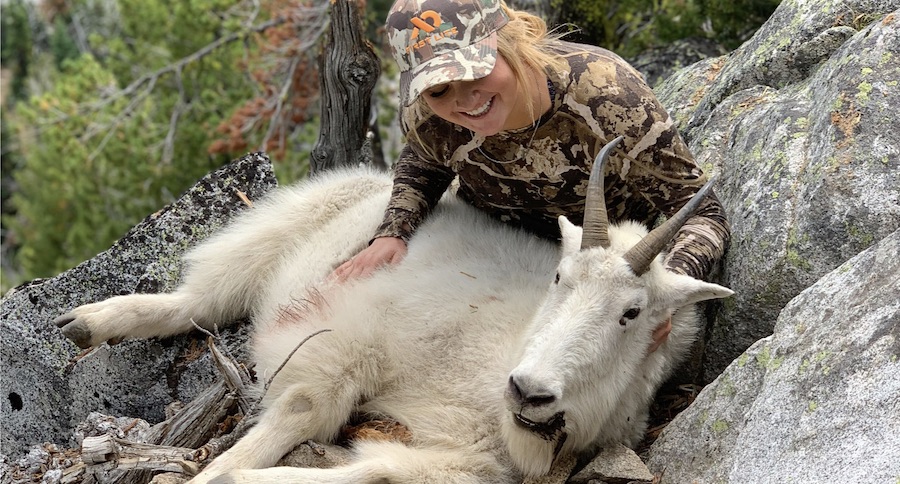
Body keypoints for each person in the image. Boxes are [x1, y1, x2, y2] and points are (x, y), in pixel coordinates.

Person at [332, 0, 731, 351]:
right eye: (438, 89)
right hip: (495, 252)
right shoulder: (427, 111)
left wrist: (661, 292)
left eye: (476, 71)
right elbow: (425, 161)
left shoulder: (607, 97)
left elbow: (701, 213)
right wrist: (393, 232)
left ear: (512, 42)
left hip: (597, 272)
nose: (463, 99)